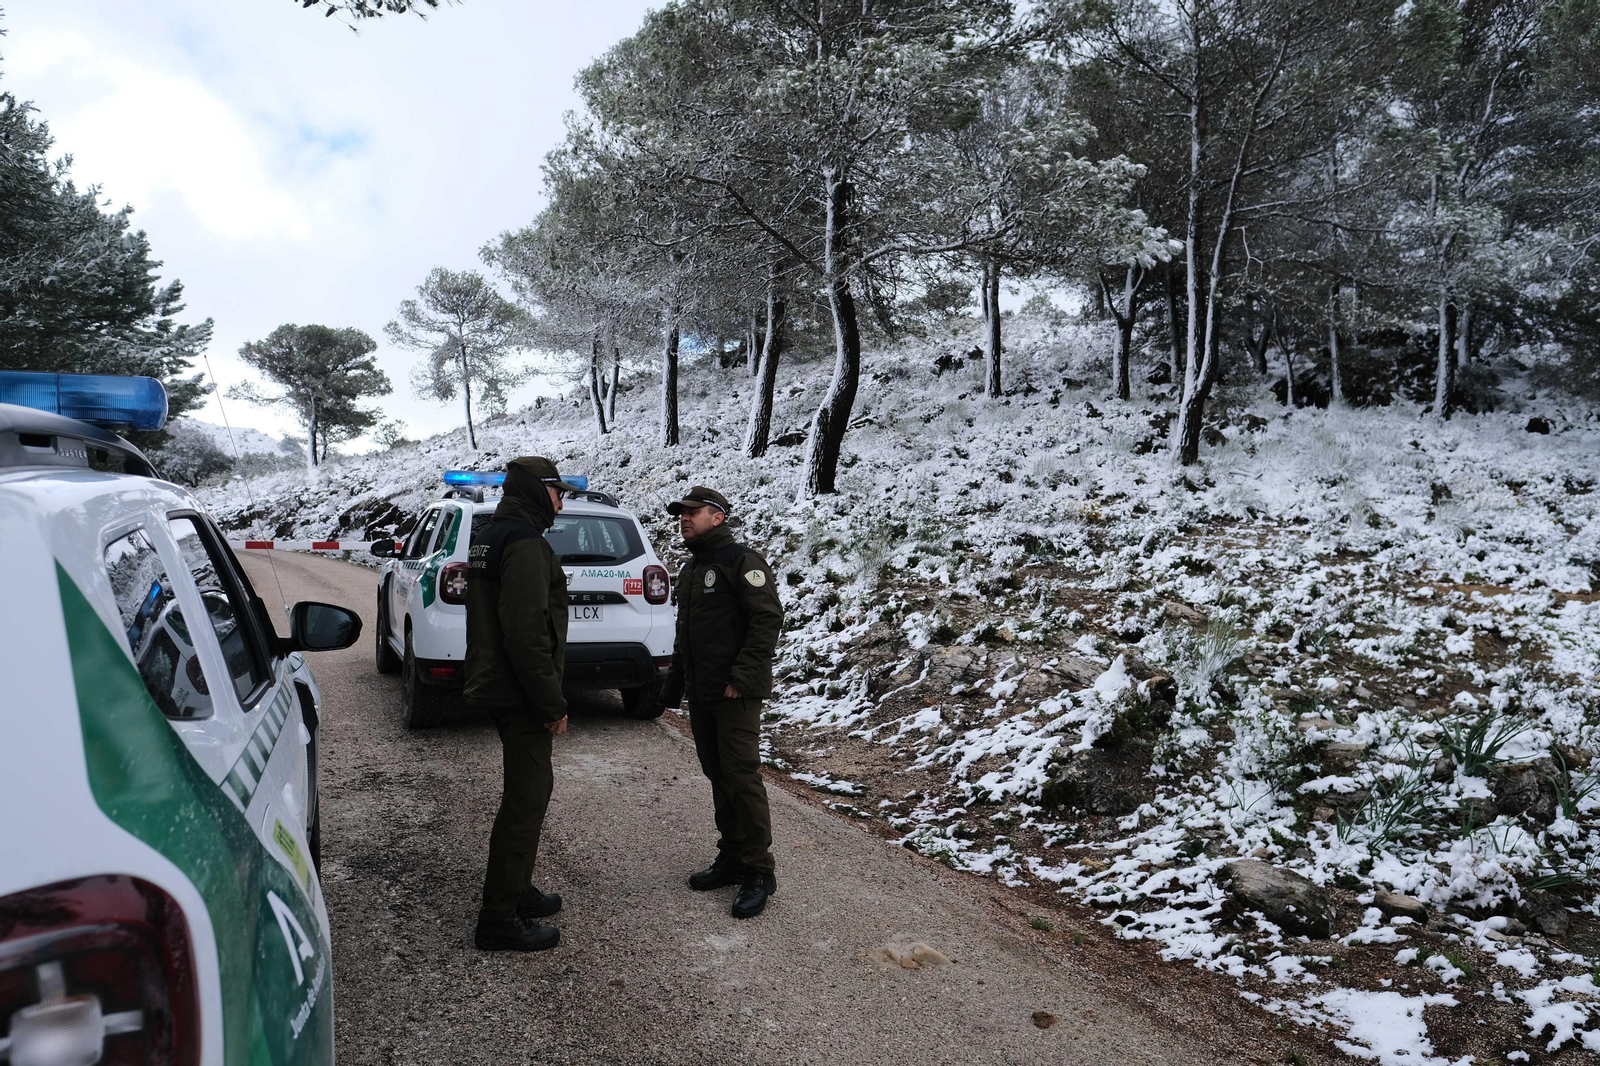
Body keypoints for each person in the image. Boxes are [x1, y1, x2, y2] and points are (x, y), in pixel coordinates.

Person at [463, 456, 583, 952]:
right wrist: (551, 703)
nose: (561, 501)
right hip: (520, 691)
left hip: (496, 682)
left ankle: (519, 889)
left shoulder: (491, 534)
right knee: (526, 799)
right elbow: (528, 632)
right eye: (559, 491)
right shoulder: (527, 544)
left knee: (525, 793)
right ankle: (499, 918)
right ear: (538, 491)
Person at [658, 486, 785, 918]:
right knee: (717, 774)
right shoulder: (693, 568)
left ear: (718, 517)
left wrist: (744, 677)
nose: (684, 518)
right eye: (681, 514)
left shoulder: (741, 561)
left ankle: (758, 871)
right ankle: (732, 856)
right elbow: (686, 632)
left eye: (693, 512)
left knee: (741, 777)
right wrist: (675, 682)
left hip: (735, 693)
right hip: (703, 691)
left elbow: (767, 618)